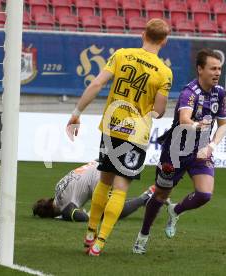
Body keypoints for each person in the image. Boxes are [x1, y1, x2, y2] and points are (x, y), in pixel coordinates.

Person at [66, 18, 172, 256]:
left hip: (112, 127)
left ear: (142, 33)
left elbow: (96, 84)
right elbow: (160, 110)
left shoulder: (122, 55)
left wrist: (77, 113)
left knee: (104, 182)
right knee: (120, 188)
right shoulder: (164, 73)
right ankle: (100, 243)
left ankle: (90, 232)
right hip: (136, 134)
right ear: (164, 41)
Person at [132, 48, 226, 254]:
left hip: (201, 151)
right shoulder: (189, 92)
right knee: (160, 195)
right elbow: (185, 118)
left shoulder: (219, 93)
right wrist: (195, 126)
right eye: (213, 68)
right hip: (175, 152)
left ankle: (175, 210)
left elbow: (222, 125)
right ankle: (143, 235)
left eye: (219, 68)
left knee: (204, 194)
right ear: (200, 69)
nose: (217, 72)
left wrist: (211, 146)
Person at [32, 161, 155, 222]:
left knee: (108, 212)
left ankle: (146, 197)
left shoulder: (63, 206)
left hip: (98, 176)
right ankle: (145, 199)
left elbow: (75, 215)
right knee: (114, 201)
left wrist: (88, 216)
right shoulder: (57, 187)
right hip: (97, 166)